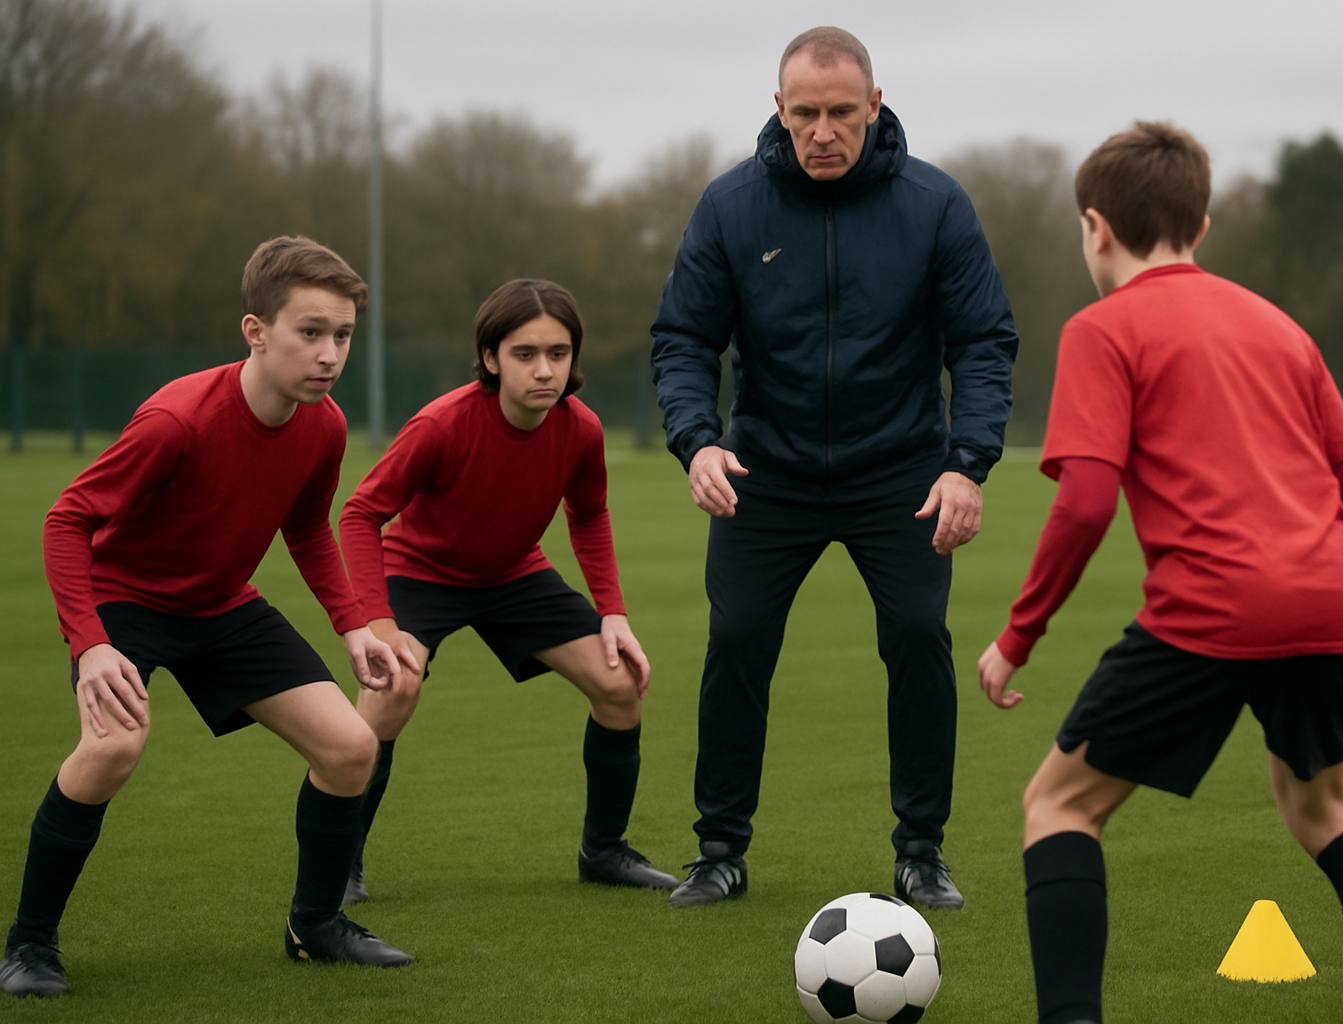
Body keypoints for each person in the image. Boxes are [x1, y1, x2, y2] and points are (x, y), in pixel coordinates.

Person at [977, 123, 1343, 1024]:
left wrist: (1017, 639)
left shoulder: (1101, 330)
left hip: (1209, 609)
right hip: (1326, 605)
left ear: (1095, 226)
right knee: (1326, 810)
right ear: (1200, 226)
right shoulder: (1283, 329)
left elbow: (1086, 504)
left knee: (1058, 806)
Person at [651, 26, 1018, 910]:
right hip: (764, 470)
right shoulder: (730, 206)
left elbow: (983, 342)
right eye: (805, 112)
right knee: (736, 643)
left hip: (900, 472)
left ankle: (922, 852)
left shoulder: (935, 205)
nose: (823, 130)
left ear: (875, 106)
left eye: (841, 112)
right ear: (778, 110)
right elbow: (684, 339)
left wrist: (966, 464)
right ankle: (720, 851)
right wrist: (699, 441)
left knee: (919, 642)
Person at [1, 237, 415, 1000]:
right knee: (114, 747)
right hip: (127, 601)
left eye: (344, 335)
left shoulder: (322, 425)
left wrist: (354, 624)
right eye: (311, 332)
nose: (330, 354)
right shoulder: (178, 420)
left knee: (351, 746)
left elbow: (308, 527)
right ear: (255, 331)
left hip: (224, 604)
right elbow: (68, 521)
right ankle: (28, 945)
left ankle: (315, 925)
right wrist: (91, 646)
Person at [338, 278, 676, 900]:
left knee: (620, 684)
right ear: (491, 358)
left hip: (513, 574)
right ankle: (340, 864)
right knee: (392, 691)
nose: (544, 370)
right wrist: (380, 625)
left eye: (558, 353)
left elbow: (589, 516)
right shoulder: (441, 425)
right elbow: (360, 515)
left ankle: (602, 852)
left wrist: (614, 614)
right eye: (525, 354)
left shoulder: (581, 430)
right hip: (420, 573)